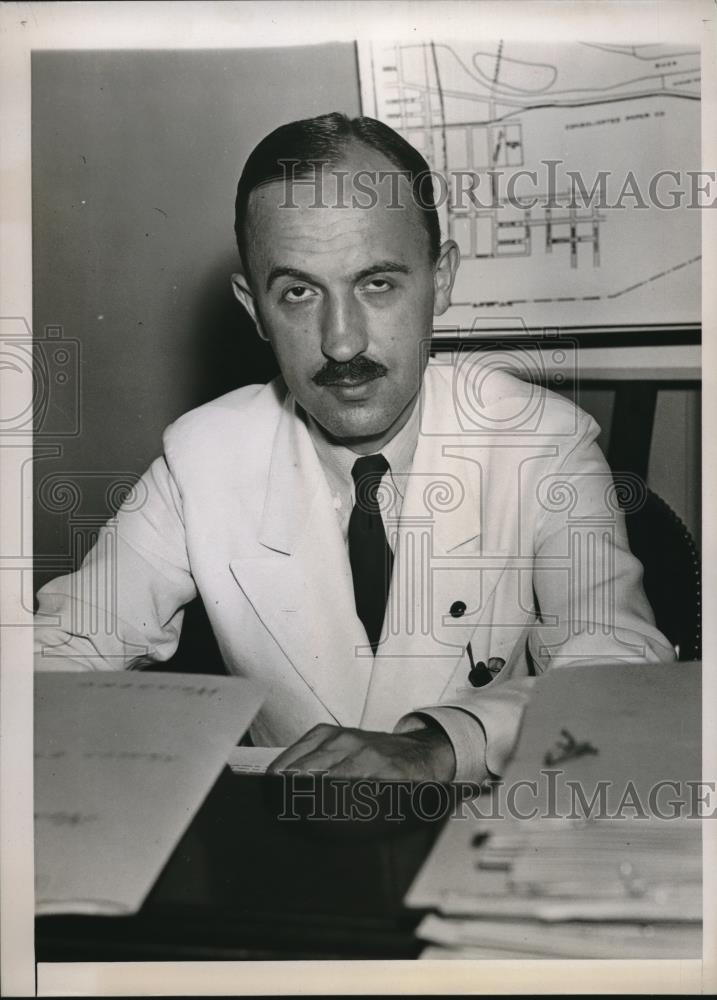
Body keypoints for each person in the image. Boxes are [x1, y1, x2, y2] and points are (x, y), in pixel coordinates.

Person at [34, 112, 675, 784]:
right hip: (285, 858)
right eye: (299, 292)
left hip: (474, 832)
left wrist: (441, 745)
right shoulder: (202, 457)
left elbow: (617, 670)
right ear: (253, 308)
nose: (342, 343)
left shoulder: (542, 442)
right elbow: (59, 651)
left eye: (377, 284)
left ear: (442, 279)